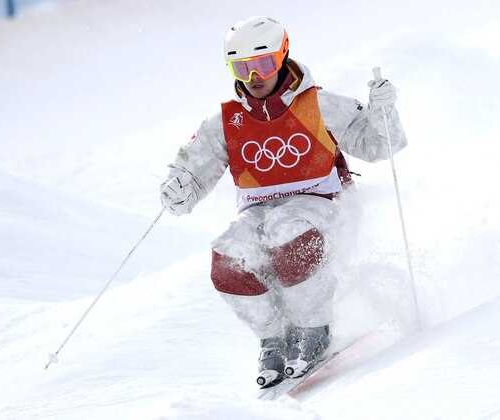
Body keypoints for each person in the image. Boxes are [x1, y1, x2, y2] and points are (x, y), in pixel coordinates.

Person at [160, 16, 407, 387]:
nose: (253, 76)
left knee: (286, 229)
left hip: (323, 205)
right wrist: (179, 189)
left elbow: (380, 145)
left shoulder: (319, 105)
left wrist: (383, 112)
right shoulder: (226, 122)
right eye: (241, 68)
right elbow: (191, 178)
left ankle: (314, 329)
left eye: (263, 64)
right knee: (229, 252)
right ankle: (273, 338)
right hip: (259, 211)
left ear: (283, 56)